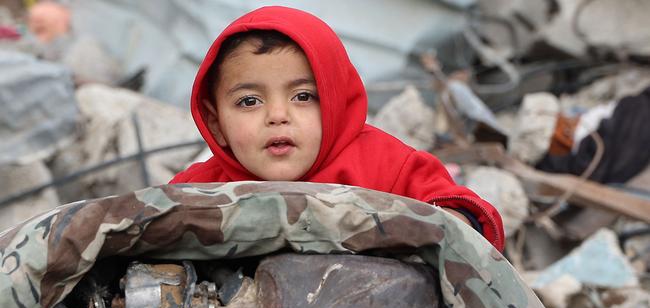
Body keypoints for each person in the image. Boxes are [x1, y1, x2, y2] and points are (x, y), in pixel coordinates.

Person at [170, 6, 505, 251]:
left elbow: (467, 213)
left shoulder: (383, 165)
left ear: (335, 101)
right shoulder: (199, 191)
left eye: (303, 96)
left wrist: (447, 224)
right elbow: (147, 228)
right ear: (216, 124)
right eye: (249, 102)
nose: (277, 115)